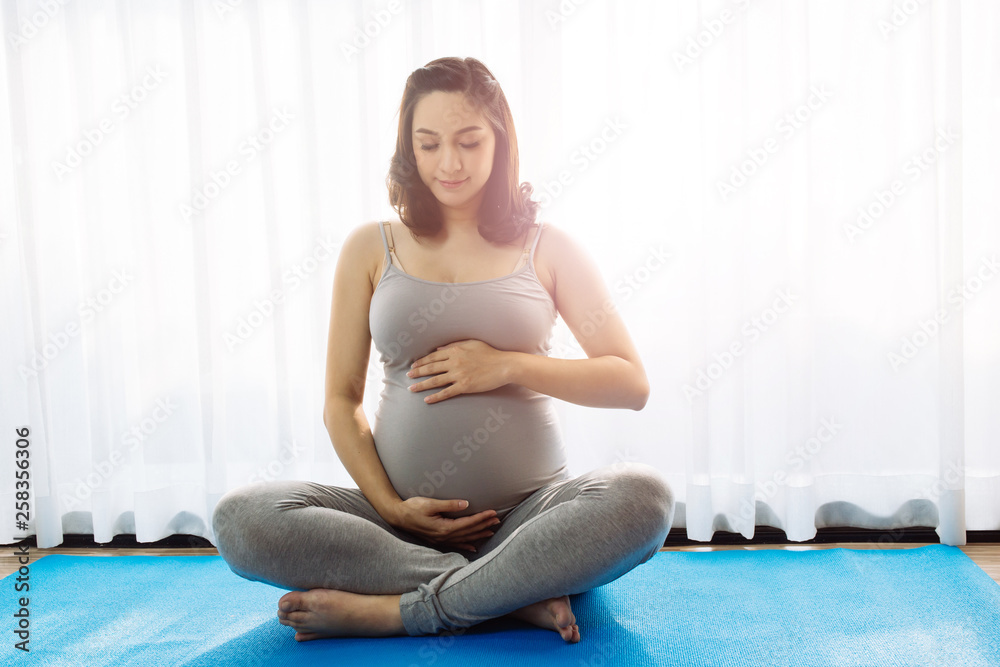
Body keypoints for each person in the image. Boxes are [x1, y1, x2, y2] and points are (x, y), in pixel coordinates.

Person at [211, 56, 674, 644]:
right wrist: (392, 507)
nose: (448, 163)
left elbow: (630, 383)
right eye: (428, 144)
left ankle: (397, 611)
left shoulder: (549, 248)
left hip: (532, 520)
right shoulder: (370, 248)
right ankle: (504, 596)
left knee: (645, 497)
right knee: (239, 519)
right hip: (394, 528)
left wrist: (507, 365)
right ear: (408, 147)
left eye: (469, 141)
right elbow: (339, 400)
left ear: (500, 143)